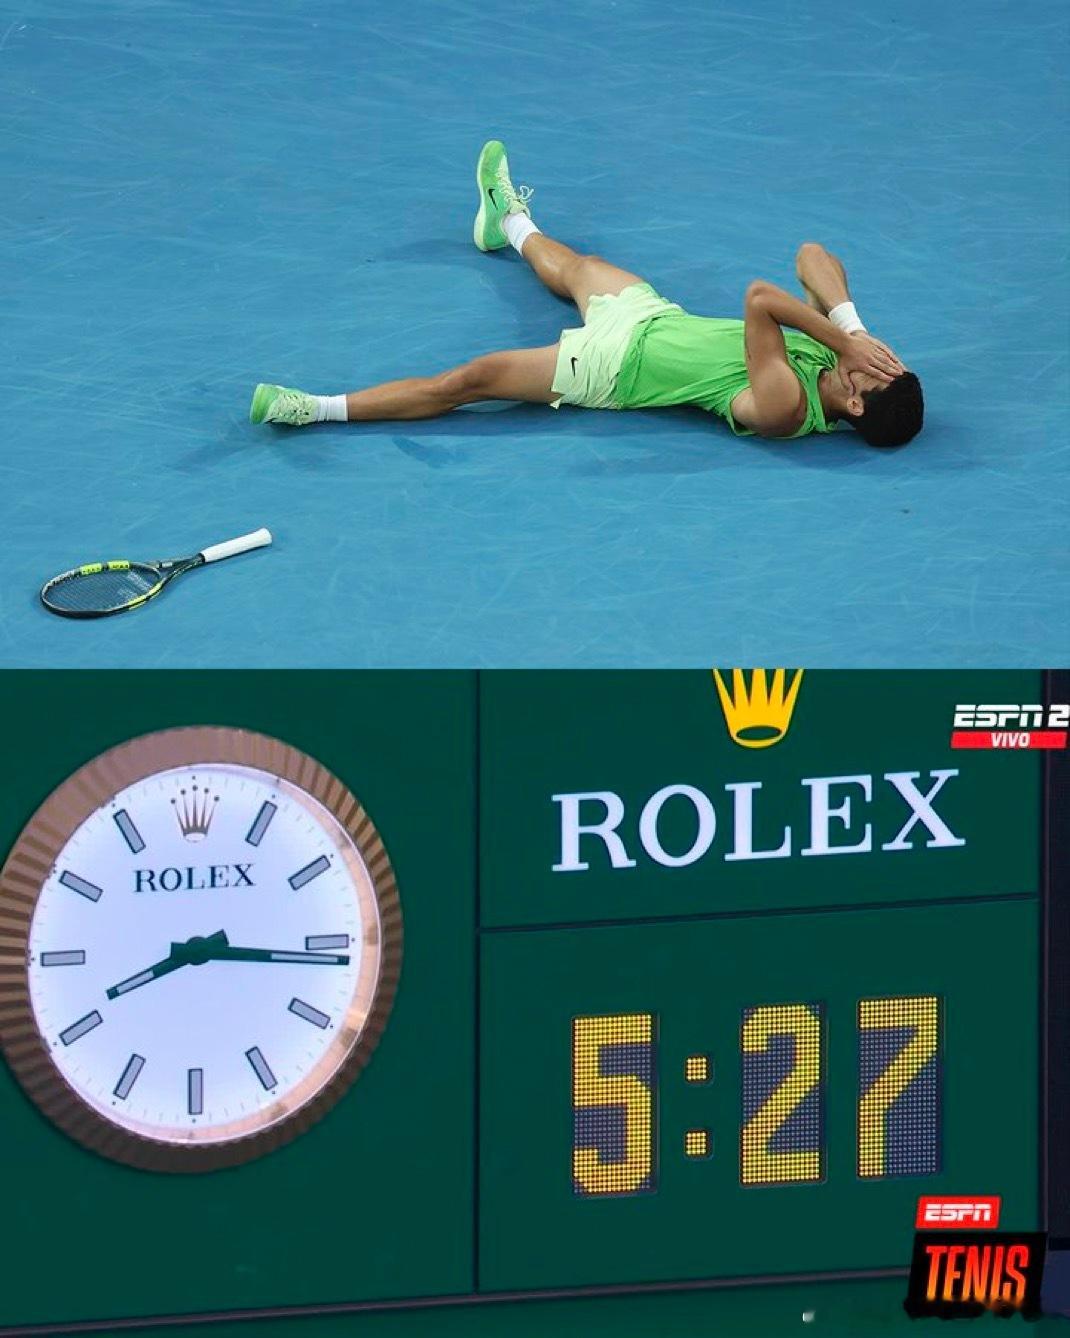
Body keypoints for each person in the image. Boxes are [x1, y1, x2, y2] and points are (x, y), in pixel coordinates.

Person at [250, 141, 922, 446]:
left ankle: (313, 409)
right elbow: (812, 255)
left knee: (468, 380)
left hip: (611, 369)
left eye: (874, 371)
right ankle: (506, 222)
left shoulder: (785, 407)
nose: (873, 359)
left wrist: (844, 341)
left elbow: (760, 298)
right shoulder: (844, 360)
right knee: (580, 266)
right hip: (653, 318)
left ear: (855, 401)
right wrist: (853, 326)